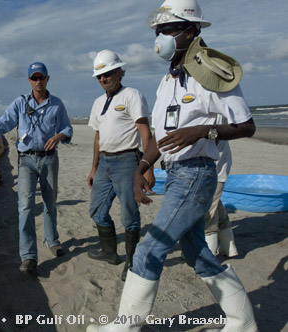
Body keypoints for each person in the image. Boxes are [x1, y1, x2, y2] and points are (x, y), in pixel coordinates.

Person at [87, 0, 258, 331]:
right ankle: (242, 322)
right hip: (177, 172)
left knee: (150, 249)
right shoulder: (168, 81)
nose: (159, 38)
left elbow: (247, 125)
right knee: (197, 253)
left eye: (166, 30)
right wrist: (142, 167)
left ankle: (125, 327)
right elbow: (158, 138)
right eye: (157, 31)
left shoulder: (211, 74)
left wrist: (203, 130)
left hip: (197, 173)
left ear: (190, 31)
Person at [0, 62, 73, 275]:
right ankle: (29, 255)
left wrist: (59, 136)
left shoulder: (57, 104)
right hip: (26, 161)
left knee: (50, 201)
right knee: (25, 207)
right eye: (34, 77)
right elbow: (1, 124)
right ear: (29, 81)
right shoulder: (20, 103)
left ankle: (52, 241)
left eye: (41, 77)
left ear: (47, 78)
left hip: (50, 160)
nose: (38, 81)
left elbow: (67, 127)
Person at [87, 50, 154, 281]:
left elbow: (145, 131)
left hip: (127, 161)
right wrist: (94, 168)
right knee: (96, 211)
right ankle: (109, 252)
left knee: (129, 214)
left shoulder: (132, 95)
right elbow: (98, 137)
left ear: (119, 72)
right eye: (99, 76)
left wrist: (148, 168)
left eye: (107, 73)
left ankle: (131, 261)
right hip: (104, 162)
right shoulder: (98, 103)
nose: (103, 79)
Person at [204, 137, 239, 257]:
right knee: (215, 205)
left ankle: (209, 252)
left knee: (208, 213)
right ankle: (229, 247)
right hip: (215, 165)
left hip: (212, 168)